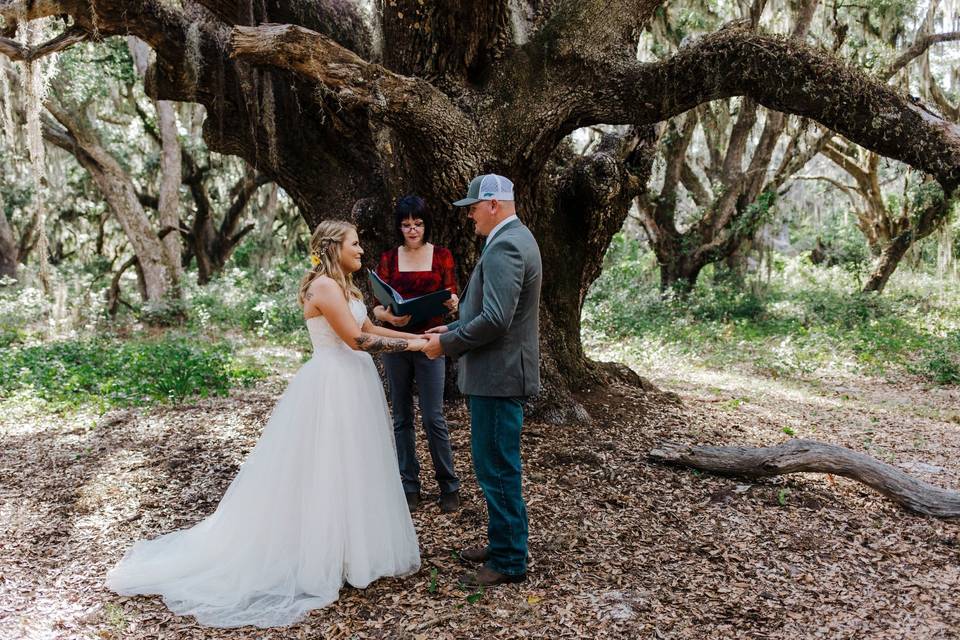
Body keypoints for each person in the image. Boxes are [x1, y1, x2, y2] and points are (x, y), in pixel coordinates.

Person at [106, 220, 425, 629]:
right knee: (327, 466)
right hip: (333, 385)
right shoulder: (325, 288)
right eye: (355, 244)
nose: (362, 250)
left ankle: (353, 550)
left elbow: (367, 327)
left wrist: (413, 334)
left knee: (355, 465)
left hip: (355, 382)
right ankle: (323, 555)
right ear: (333, 248)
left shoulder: (346, 287)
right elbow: (355, 341)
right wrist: (415, 346)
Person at [423, 174, 542, 587]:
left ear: (493, 204)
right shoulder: (515, 238)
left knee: (497, 468)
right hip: (499, 374)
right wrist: (451, 328)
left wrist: (449, 344)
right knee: (495, 464)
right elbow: (491, 311)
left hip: (499, 376)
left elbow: (497, 320)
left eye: (473, 206)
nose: (469, 215)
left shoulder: (507, 245)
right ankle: (503, 541)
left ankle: (510, 560)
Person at [372, 195, 461, 513]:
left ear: (426, 225)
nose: (412, 230)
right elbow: (377, 306)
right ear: (399, 227)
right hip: (396, 344)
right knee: (402, 417)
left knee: (434, 416)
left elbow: (452, 297)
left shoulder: (442, 256)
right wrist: (388, 318)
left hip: (430, 343)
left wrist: (453, 304)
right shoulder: (388, 258)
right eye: (406, 225)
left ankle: (449, 486)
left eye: (418, 224)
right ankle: (409, 486)